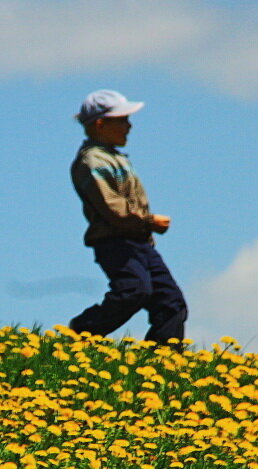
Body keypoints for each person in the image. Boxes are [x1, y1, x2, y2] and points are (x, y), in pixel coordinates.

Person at [68, 89, 188, 347]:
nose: (129, 126)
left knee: (171, 301)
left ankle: (165, 359)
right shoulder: (92, 162)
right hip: (115, 242)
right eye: (122, 120)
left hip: (140, 243)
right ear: (100, 124)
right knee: (134, 291)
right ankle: (80, 332)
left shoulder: (114, 157)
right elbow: (112, 207)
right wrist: (148, 221)